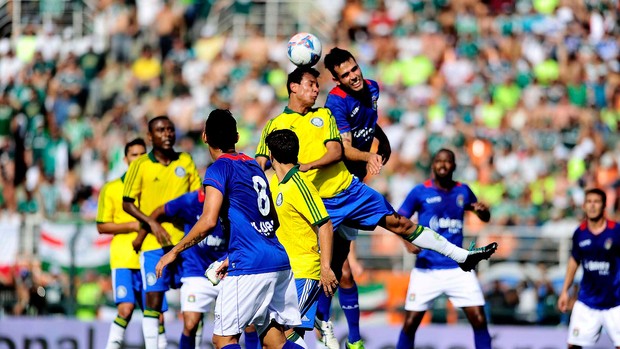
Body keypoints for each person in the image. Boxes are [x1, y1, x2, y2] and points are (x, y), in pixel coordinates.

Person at [255, 66, 498, 346]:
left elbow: (336, 151)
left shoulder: (324, 115)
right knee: (334, 273)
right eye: (310, 84)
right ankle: (324, 323)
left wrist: (310, 165)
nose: (315, 89)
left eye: (317, 84)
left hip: (349, 190)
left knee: (400, 223)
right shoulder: (273, 125)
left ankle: (461, 256)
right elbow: (261, 168)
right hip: (317, 203)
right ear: (293, 87)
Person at [155, 109, 307, 349]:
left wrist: (173, 252)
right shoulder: (253, 166)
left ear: (204, 137)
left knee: (224, 339)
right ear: (236, 137)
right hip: (277, 260)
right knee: (274, 340)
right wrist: (229, 256)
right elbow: (272, 220)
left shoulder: (218, 169)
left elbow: (208, 221)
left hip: (250, 264)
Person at [311, 46, 392, 349]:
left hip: (352, 188)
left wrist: (382, 142)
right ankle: (319, 328)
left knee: (341, 271)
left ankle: (347, 338)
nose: (353, 77)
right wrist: (371, 156)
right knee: (329, 269)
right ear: (336, 79)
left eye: (354, 69)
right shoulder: (335, 101)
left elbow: (369, 123)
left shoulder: (372, 88)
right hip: (334, 189)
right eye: (345, 75)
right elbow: (344, 148)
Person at [134, 188, 261, 349]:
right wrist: (146, 233)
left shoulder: (233, 202)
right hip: (196, 272)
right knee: (190, 323)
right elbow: (159, 211)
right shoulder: (190, 201)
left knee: (248, 322)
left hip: (227, 269)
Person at [395, 148, 493, 349]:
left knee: (479, 320)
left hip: (459, 268)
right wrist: (407, 242)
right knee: (410, 323)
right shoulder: (420, 192)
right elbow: (397, 220)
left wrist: (483, 212)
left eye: (447, 161)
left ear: (454, 166)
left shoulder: (463, 191)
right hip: (427, 268)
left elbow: (482, 215)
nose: (442, 165)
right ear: (433, 165)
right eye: (439, 161)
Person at [122, 116, 202, 349]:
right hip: (153, 243)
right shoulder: (140, 165)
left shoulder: (185, 160)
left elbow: (198, 196)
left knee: (195, 300)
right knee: (153, 301)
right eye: (160, 130)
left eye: (170, 129)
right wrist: (152, 223)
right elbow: (128, 203)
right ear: (150, 136)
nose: (166, 134)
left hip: (185, 241)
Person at [265, 129, 339, 348]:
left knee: (282, 333)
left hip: (304, 271)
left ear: (271, 156)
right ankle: (318, 321)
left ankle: (321, 321)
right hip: (282, 271)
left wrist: (325, 268)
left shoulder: (300, 185)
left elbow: (325, 224)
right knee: (274, 336)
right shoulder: (274, 184)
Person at [97, 138, 168, 349]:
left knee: (158, 315)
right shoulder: (111, 188)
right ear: (126, 158)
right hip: (124, 257)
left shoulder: (154, 186)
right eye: (133, 154)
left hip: (150, 254)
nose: (138, 158)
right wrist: (132, 225)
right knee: (125, 309)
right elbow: (101, 226)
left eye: (141, 154)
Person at [557, 188, 620, 349]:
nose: (592, 206)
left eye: (596, 202)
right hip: (587, 302)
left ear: (604, 205)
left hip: (615, 302)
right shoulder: (580, 233)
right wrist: (565, 290)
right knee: (573, 346)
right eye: (589, 202)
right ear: (584, 206)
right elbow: (574, 261)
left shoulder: (616, 231)